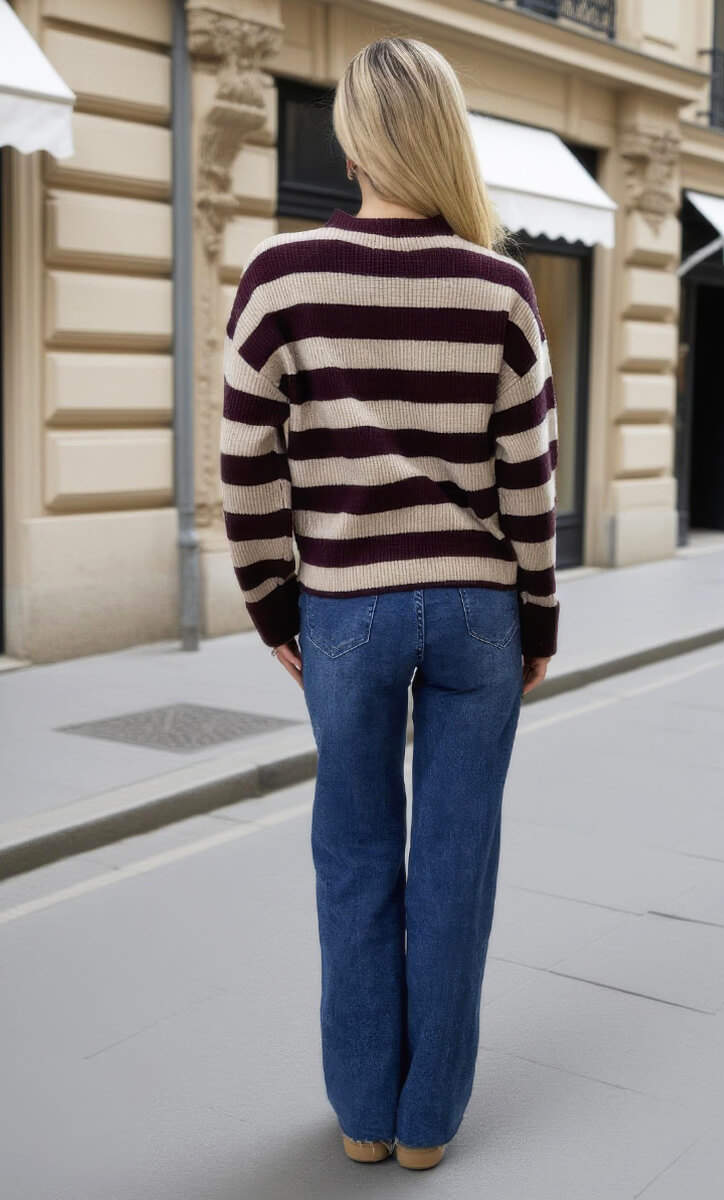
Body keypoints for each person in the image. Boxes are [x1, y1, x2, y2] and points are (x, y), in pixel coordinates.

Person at [220, 35, 559, 1172]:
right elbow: (528, 477)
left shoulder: (281, 274)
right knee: (456, 867)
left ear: (353, 135)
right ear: (445, 132)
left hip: (345, 609)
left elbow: (245, 468)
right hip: (475, 606)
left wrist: (276, 609)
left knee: (354, 856)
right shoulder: (498, 285)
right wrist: (538, 621)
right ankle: (427, 1127)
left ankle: (363, 1114)